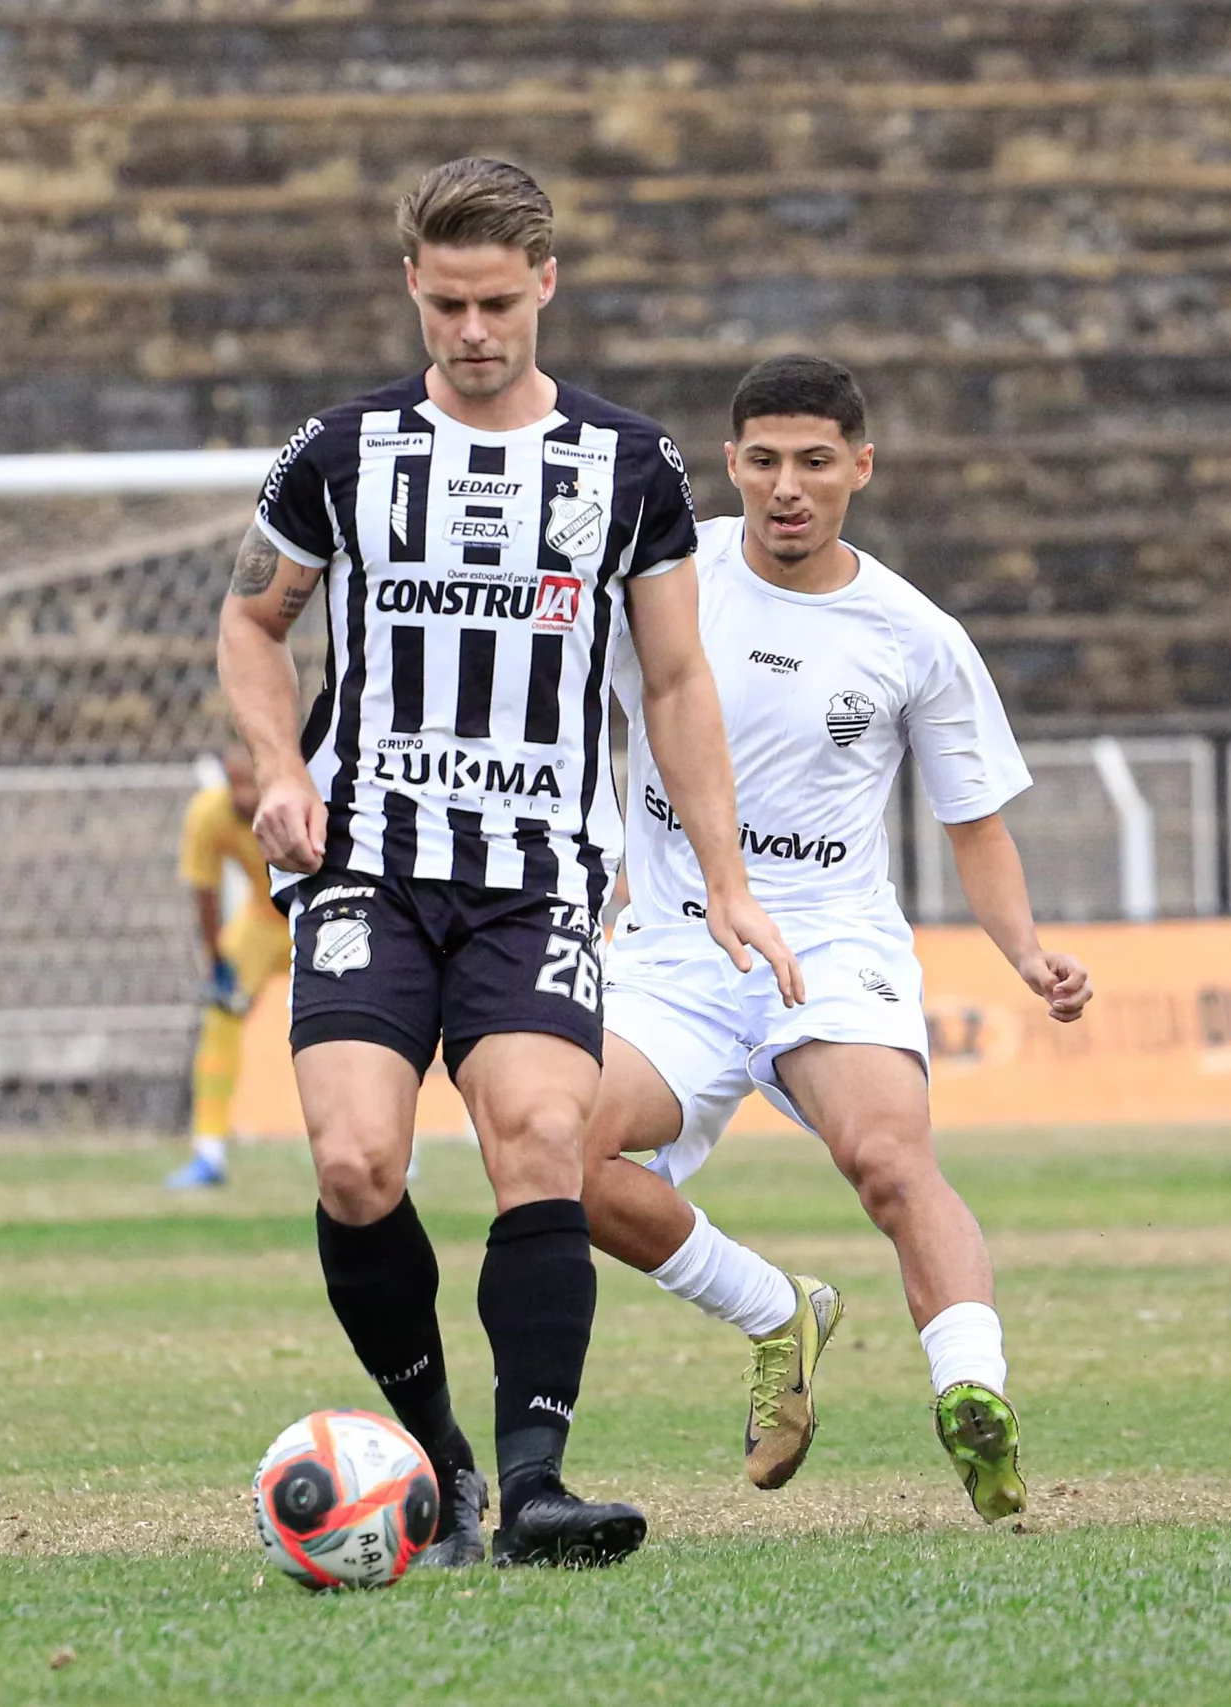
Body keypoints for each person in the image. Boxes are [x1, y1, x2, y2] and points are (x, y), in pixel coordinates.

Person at [215, 157, 801, 1568]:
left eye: (497, 302)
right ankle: (445, 1466)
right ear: (412, 286)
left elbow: (677, 684)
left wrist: (725, 879)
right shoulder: (339, 451)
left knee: (539, 1137)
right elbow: (251, 622)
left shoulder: (630, 463)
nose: (473, 330)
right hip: (365, 862)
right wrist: (281, 769)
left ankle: (538, 1485)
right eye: (447, 304)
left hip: (537, 872)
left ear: (545, 283)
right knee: (356, 1161)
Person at [586, 354, 1092, 1522]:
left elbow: (973, 823)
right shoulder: (665, 578)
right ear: (730, 465)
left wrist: (1025, 952)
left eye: (814, 462)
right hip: (671, 949)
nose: (787, 487)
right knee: (558, 1157)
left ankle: (971, 1393)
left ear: (860, 467)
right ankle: (776, 1312)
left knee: (888, 1158)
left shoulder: (914, 635)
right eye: (763, 461)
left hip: (827, 944)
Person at [165, 744, 291, 1191]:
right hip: (261, 922)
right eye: (234, 783)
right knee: (219, 1018)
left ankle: (397, 1151)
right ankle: (209, 1152)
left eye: (250, 783)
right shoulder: (210, 814)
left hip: (316, 917)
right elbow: (204, 888)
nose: (243, 796)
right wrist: (217, 960)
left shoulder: (302, 797)